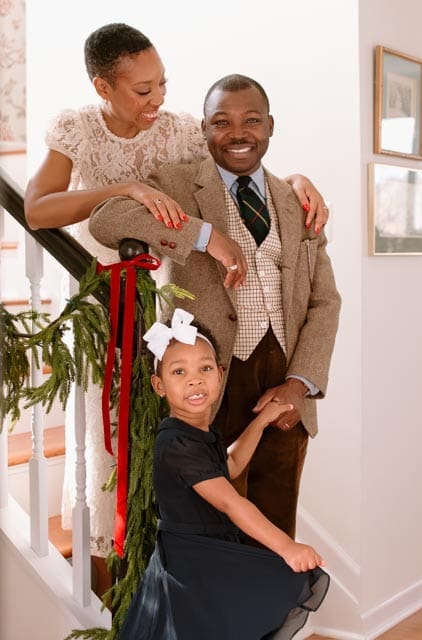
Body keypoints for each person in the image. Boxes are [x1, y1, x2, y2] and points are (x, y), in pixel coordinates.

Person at [23, 24, 330, 581]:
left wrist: (296, 179)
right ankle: (124, 592)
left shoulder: (183, 134)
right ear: (103, 87)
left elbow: (239, 155)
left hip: (182, 320)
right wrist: (138, 195)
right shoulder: (77, 130)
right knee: (122, 460)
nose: (158, 99)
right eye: (143, 90)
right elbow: (51, 210)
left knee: (263, 509)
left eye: (162, 84)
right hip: (111, 302)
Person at [89, 74, 341, 550]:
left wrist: (300, 383)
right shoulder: (180, 185)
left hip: (285, 382)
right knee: (216, 532)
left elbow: (326, 300)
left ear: (270, 126)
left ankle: (268, 623)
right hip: (209, 378)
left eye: (251, 120)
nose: (238, 133)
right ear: (205, 129)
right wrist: (204, 236)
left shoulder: (298, 200)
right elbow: (107, 220)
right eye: (222, 122)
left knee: (277, 530)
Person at [117, 307, 330, 640]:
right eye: (178, 372)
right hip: (190, 562)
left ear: (220, 373)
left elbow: (228, 468)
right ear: (159, 385)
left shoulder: (202, 432)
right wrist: (287, 547)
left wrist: (259, 422)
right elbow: (232, 502)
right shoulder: (175, 442)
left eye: (204, 368)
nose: (194, 379)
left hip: (209, 552)